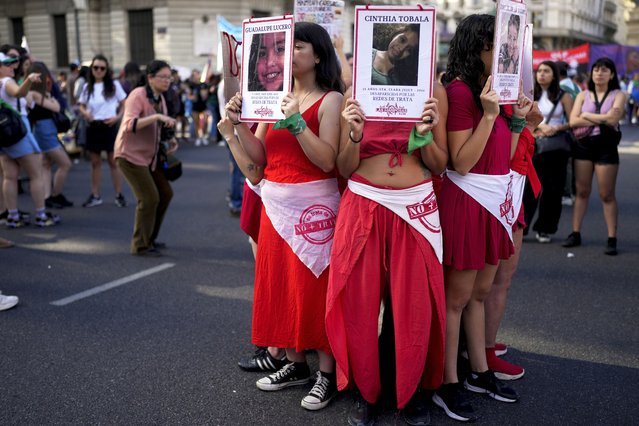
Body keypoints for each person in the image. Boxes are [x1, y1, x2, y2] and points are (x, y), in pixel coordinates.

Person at [225, 21, 344, 411]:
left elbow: (327, 159)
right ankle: (296, 364)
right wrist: (239, 127)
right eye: (284, 47)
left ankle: (327, 373)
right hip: (276, 208)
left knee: (316, 290)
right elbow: (260, 160)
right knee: (283, 288)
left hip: (315, 209)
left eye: (297, 47)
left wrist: (296, 123)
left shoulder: (330, 101)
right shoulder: (270, 97)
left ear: (318, 55)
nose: (286, 55)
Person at [326, 74, 449, 424]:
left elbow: (440, 165)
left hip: (415, 205)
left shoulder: (432, 90)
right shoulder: (356, 91)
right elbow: (345, 167)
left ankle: (410, 393)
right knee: (360, 303)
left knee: (414, 304)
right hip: (364, 202)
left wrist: (425, 133)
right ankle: (366, 393)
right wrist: (353, 135)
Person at [432, 14, 531, 421]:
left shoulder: (494, 91)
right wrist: (490, 115)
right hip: (466, 202)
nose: (505, 54)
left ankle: (479, 371)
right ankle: (447, 383)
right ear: (477, 48)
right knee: (455, 300)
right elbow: (463, 162)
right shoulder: (458, 92)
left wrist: (516, 119)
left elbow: (502, 160)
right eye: (498, 46)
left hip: (494, 203)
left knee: (478, 294)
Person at [114, 60, 178, 257]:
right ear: (150, 78)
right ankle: (140, 245)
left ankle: (149, 238)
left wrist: (171, 139)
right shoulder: (138, 95)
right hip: (129, 155)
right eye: (163, 77)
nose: (168, 81)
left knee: (165, 193)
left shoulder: (160, 98)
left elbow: (160, 127)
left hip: (150, 157)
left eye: (169, 77)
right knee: (149, 198)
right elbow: (129, 125)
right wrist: (157, 118)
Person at [564, 57, 625, 255]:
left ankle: (611, 237)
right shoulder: (583, 95)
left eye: (605, 70)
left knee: (606, 194)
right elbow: (573, 121)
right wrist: (602, 119)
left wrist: (587, 116)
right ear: (591, 73)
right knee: (581, 191)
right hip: (584, 146)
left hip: (606, 147)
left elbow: (614, 118)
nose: (599, 73)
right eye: (596, 69)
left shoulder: (618, 95)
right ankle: (575, 233)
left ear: (612, 74)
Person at [0, 50, 60, 228]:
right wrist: (28, 80)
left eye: (13, 62)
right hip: (18, 132)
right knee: (36, 175)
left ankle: (12, 216)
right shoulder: (6, 82)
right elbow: (18, 92)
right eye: (8, 64)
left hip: (4, 135)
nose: (13, 66)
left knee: (10, 177)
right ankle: (41, 215)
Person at [522, 61, 574, 243]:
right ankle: (523, 226)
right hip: (533, 144)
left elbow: (573, 121)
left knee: (553, 190)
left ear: (554, 75)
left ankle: (545, 228)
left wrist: (557, 127)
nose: (542, 74)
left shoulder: (564, 96)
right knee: (529, 188)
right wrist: (540, 127)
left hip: (557, 147)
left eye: (547, 71)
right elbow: (521, 118)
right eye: (540, 71)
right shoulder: (529, 94)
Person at [78, 54, 128, 208]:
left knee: (114, 162)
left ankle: (119, 194)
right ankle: (95, 195)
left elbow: (124, 103)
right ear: (91, 69)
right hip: (94, 126)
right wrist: (85, 113)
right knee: (95, 162)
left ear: (107, 70)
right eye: (96, 67)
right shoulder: (87, 87)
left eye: (102, 68)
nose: (99, 70)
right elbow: (81, 105)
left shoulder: (114, 85)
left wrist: (117, 118)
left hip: (109, 125)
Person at [27, 61, 74, 209]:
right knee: (65, 164)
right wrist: (50, 98)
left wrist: (48, 95)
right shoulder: (33, 94)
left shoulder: (39, 93)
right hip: (44, 130)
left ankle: (48, 197)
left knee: (46, 165)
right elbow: (56, 106)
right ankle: (55, 194)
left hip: (45, 129)